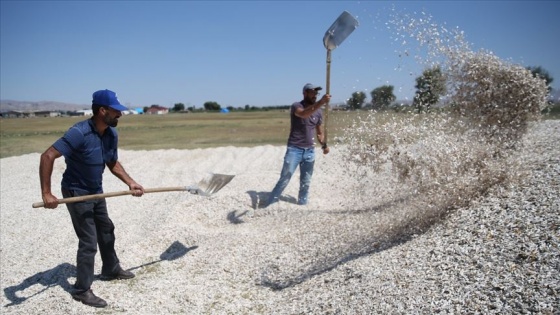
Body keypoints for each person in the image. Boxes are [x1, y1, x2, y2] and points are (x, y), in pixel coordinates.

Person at [39, 89, 145, 308]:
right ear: (102, 110)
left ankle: (110, 268)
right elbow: (48, 155)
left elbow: (112, 162)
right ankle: (81, 289)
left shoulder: (110, 134)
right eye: (116, 111)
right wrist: (47, 194)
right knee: (88, 240)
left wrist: (130, 182)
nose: (120, 115)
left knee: (106, 229)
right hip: (76, 192)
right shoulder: (79, 133)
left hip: (96, 190)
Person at [265, 83, 331, 207]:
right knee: (285, 177)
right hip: (294, 149)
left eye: (316, 93)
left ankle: (302, 204)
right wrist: (321, 102)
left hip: (310, 151)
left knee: (306, 181)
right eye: (312, 92)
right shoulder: (297, 106)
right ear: (305, 93)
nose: (315, 95)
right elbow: (303, 114)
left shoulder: (318, 112)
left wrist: (323, 144)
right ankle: (270, 204)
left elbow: (319, 133)